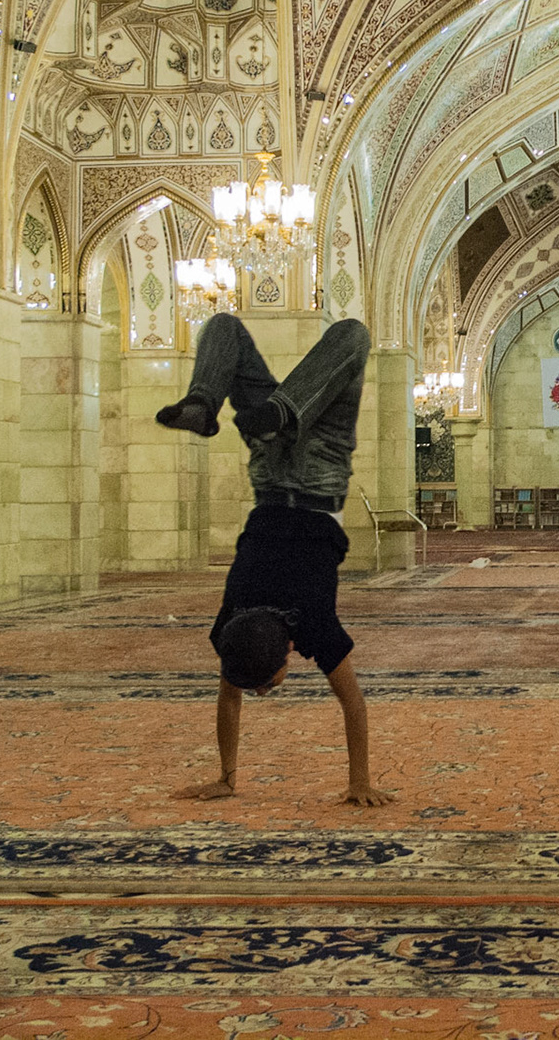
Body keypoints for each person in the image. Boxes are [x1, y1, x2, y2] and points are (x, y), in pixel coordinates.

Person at [156, 313, 394, 807]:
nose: (262, 694)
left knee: (353, 336)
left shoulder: (309, 625)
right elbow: (230, 694)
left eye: (265, 685)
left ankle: (209, 404)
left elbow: (353, 703)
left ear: (288, 650)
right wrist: (225, 776)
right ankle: (210, 401)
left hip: (320, 469)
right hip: (269, 446)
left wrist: (360, 783)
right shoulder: (232, 625)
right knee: (224, 325)